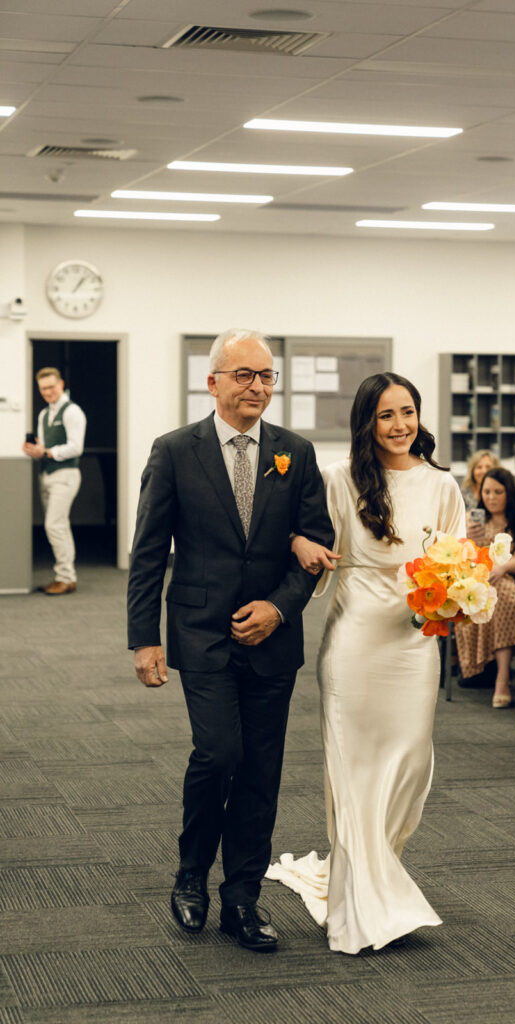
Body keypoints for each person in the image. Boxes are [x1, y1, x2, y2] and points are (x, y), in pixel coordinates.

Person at [127, 329, 333, 952]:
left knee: (261, 771)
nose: (257, 387)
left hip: (272, 639)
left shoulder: (294, 453)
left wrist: (279, 606)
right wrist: (144, 638)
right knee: (218, 754)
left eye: (267, 376)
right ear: (212, 382)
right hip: (200, 631)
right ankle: (191, 873)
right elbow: (147, 552)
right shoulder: (174, 451)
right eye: (244, 375)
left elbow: (314, 548)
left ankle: (242, 898)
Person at [267, 372, 466, 954]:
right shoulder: (338, 480)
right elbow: (284, 530)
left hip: (414, 644)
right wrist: (299, 543)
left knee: (407, 767)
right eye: (386, 415)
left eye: (408, 412)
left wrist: (456, 595)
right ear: (366, 423)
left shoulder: (443, 486)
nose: (400, 425)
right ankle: (364, 901)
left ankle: (372, 873)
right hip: (355, 641)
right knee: (354, 772)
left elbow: (459, 562)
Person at [456, 467, 515, 706]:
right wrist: (465, 535)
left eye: (497, 492)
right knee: (490, 592)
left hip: (514, 584)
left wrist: (502, 568)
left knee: (503, 591)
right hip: (475, 582)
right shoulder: (473, 521)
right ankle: (498, 674)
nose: (491, 497)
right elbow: (461, 555)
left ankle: (502, 677)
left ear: (509, 493)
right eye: (487, 491)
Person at [21, 367, 86, 595]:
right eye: (43, 388)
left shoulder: (72, 412)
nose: (47, 392)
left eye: (51, 387)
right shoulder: (44, 414)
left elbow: (76, 447)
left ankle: (66, 577)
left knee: (53, 525)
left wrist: (46, 452)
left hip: (66, 475)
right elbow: (43, 446)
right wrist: (35, 450)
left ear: (60, 384)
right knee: (60, 526)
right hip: (46, 475)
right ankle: (66, 576)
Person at [460, 448, 499, 512]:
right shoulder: (463, 495)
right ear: (472, 471)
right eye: (479, 467)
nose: (484, 471)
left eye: (488, 467)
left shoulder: (502, 493)